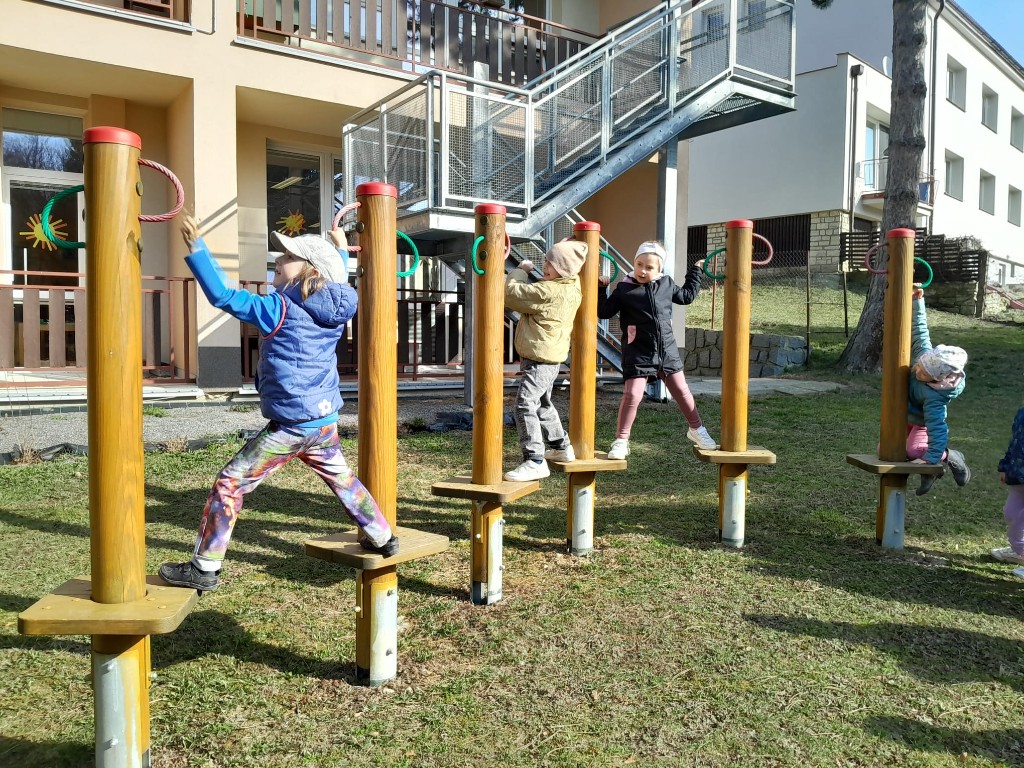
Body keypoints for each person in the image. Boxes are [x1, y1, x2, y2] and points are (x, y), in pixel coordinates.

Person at [158, 218, 397, 593]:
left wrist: (198, 249)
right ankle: (383, 536)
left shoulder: (278, 308)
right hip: (323, 421)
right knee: (343, 480)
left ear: (309, 270)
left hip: (291, 427)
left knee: (229, 483)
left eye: (287, 257)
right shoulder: (335, 305)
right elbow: (335, 275)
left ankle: (204, 567)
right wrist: (339, 249)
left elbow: (224, 296)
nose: (278, 260)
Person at [597, 241, 717, 461]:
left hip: (667, 350)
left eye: (649, 267)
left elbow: (686, 296)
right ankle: (621, 440)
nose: (642, 270)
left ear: (659, 269)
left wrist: (696, 270)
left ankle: (697, 429)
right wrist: (601, 288)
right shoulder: (624, 289)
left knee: (682, 391)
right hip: (638, 351)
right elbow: (604, 311)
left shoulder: (666, 284)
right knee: (633, 394)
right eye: (639, 264)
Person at [503, 240, 587, 481]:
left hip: (540, 359)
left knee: (524, 404)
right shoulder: (572, 285)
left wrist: (521, 270)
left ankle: (534, 460)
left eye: (551, 263)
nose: (545, 266)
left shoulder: (548, 291)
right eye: (546, 261)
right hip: (550, 358)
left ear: (564, 268)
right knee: (542, 403)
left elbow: (512, 294)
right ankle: (561, 446)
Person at [907, 284, 971, 495]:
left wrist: (931, 458)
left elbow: (937, 427)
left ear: (937, 378)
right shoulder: (925, 355)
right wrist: (917, 300)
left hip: (920, 422)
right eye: (919, 366)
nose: (917, 371)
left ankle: (950, 456)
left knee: (913, 451)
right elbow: (919, 329)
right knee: (885, 449)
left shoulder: (935, 396)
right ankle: (930, 470)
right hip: (904, 416)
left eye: (923, 374)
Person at [990, 405, 1024, 571]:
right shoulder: (1022, 413)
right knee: (1010, 513)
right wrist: (1005, 466)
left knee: (1021, 521)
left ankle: (1021, 550)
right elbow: (1015, 443)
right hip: (1018, 475)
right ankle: (1019, 552)